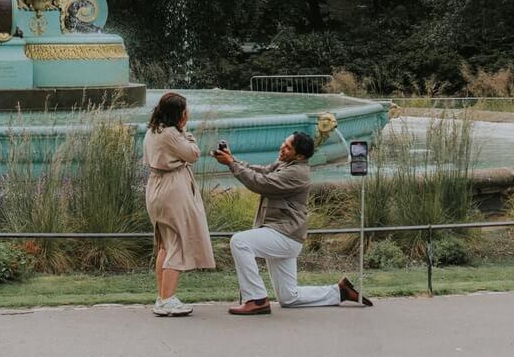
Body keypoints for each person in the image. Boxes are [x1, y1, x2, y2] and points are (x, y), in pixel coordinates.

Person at [214, 132, 370, 314]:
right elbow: (261, 171)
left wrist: (232, 165)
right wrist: (233, 159)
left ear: (300, 156)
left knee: (240, 242)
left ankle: (256, 300)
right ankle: (339, 292)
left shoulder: (296, 173)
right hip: (282, 234)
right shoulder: (285, 164)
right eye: (284, 143)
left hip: (284, 235)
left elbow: (261, 183)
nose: (282, 147)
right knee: (289, 297)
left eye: (288, 147)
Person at [143, 92, 214, 317]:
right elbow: (192, 154)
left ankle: (162, 296)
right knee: (178, 245)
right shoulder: (172, 134)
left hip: (156, 187)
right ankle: (167, 300)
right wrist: (186, 133)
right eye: (185, 111)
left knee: (166, 244)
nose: (187, 114)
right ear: (178, 114)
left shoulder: (153, 131)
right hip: (171, 190)